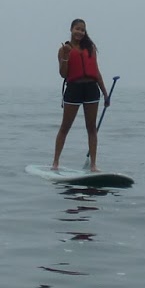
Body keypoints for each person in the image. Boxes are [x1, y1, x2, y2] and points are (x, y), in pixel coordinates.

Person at [53, 18, 110, 172]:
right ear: (71, 29)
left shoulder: (90, 48)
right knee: (65, 127)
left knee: (91, 128)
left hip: (91, 89)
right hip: (74, 89)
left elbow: (96, 72)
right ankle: (55, 163)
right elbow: (63, 73)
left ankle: (93, 165)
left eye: (82, 30)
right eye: (77, 29)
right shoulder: (65, 49)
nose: (80, 32)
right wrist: (65, 56)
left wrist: (105, 94)